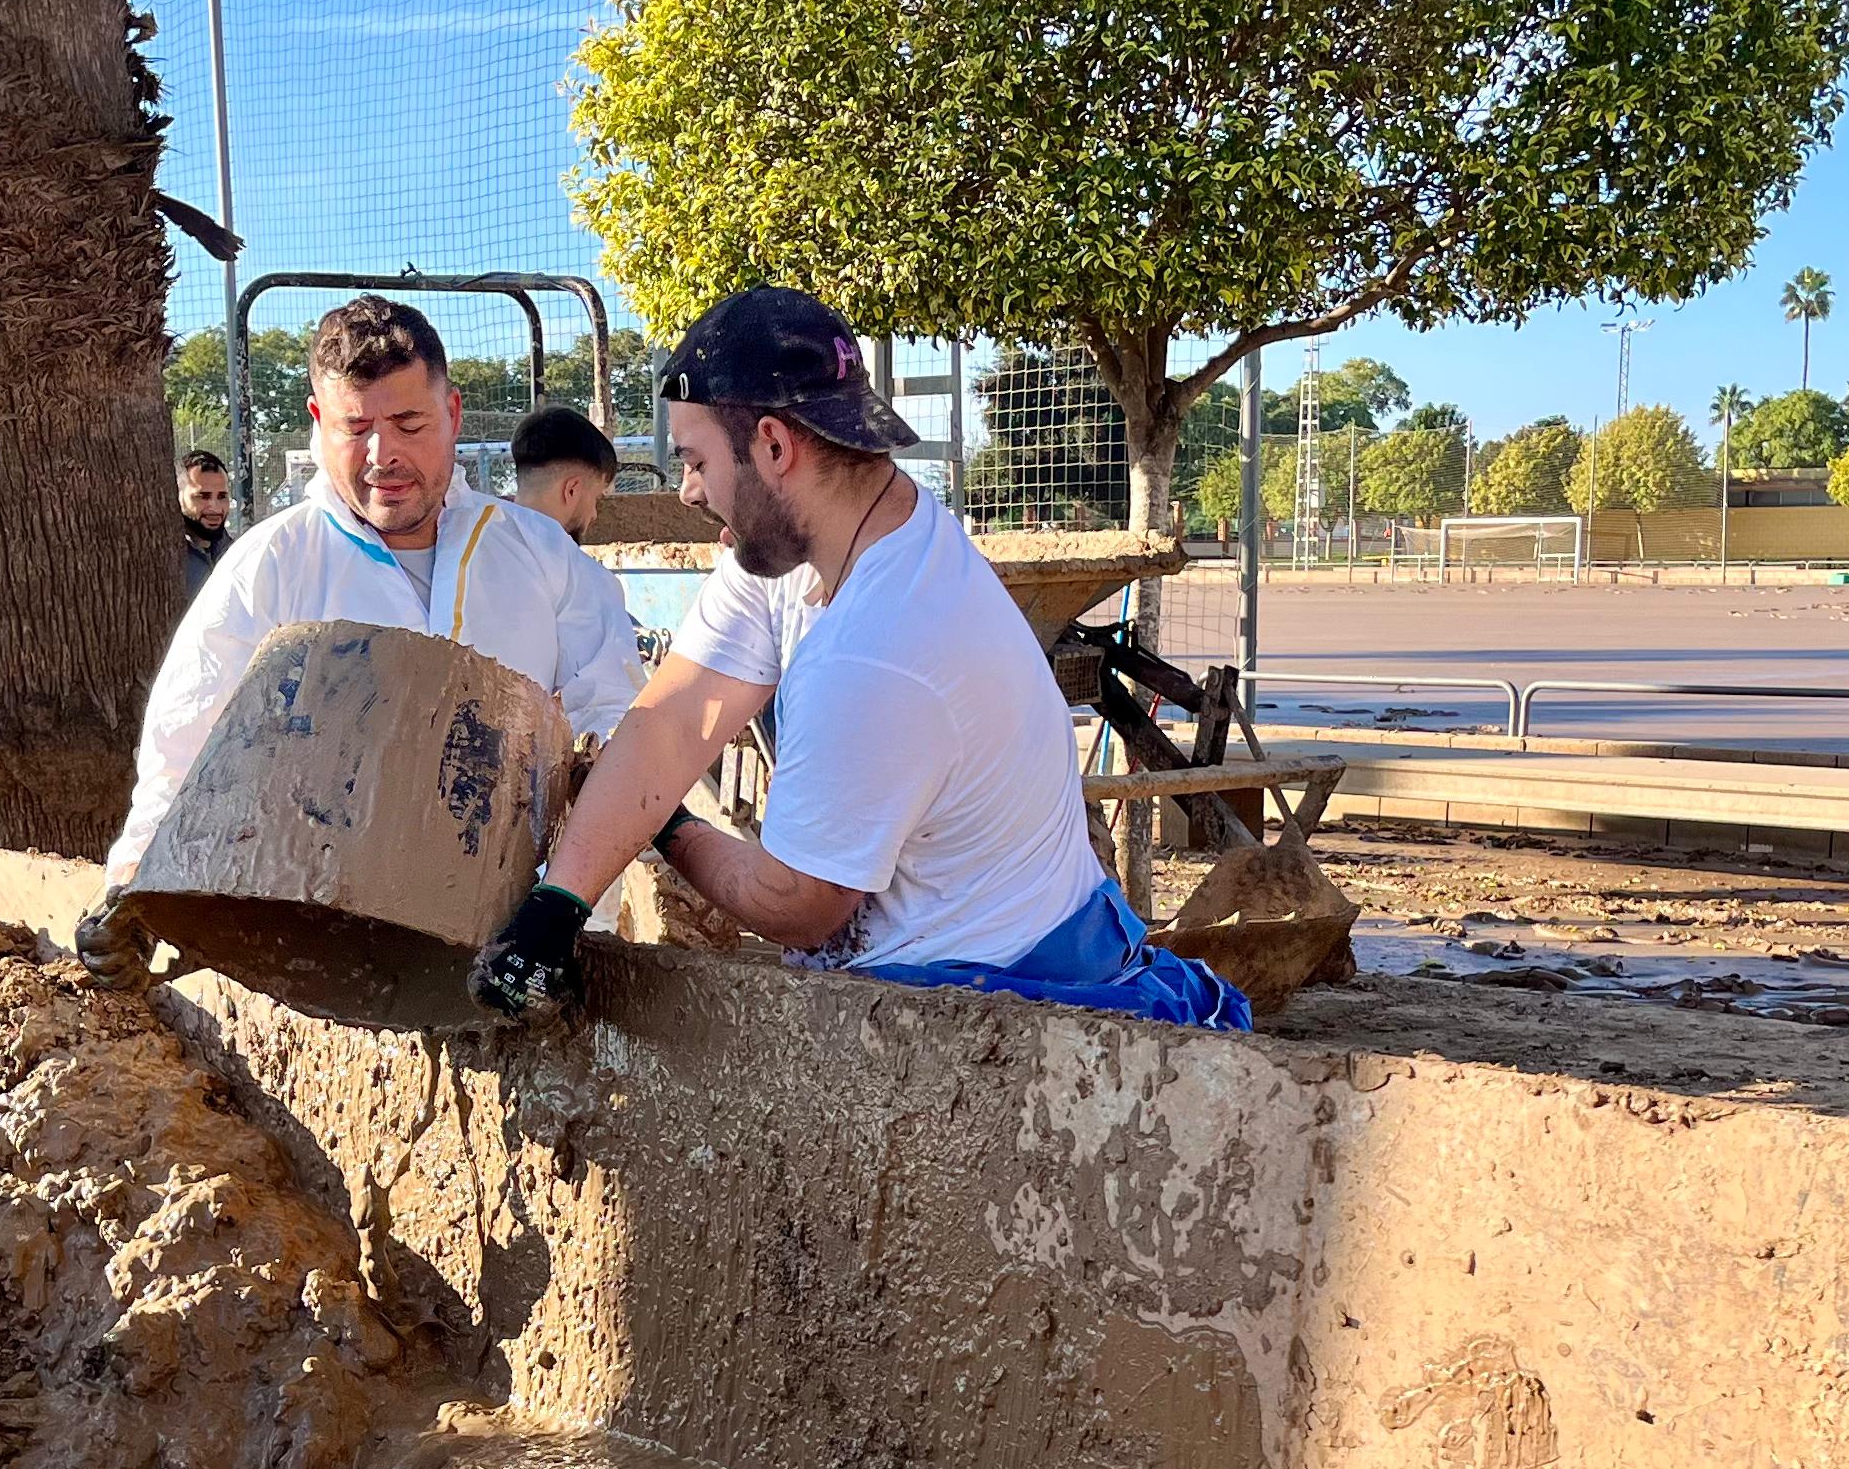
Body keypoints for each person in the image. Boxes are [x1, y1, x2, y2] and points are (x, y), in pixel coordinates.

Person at [466, 287, 1245, 1035]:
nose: (690, 492)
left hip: (1002, 994)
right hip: (977, 940)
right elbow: (674, 718)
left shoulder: (880, 648)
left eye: (696, 460)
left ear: (773, 445)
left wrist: (669, 828)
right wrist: (560, 902)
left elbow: (801, 904)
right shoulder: (810, 549)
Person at [98, 296, 643, 903]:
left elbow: (615, 713)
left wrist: (567, 901)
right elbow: (185, 745)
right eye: (355, 429)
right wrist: (135, 885)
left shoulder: (540, 553)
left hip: (515, 923)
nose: (383, 456)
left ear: (453, 412)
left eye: (410, 425)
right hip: (326, 933)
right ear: (317, 420)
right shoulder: (272, 566)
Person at [506, 404, 620, 543]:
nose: (594, 515)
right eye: (596, 498)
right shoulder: (569, 563)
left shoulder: (479, 542)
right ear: (572, 490)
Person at [176, 450, 233, 600]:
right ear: (177, 496)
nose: (214, 507)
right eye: (203, 496)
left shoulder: (237, 552)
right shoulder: (170, 558)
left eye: (222, 496)